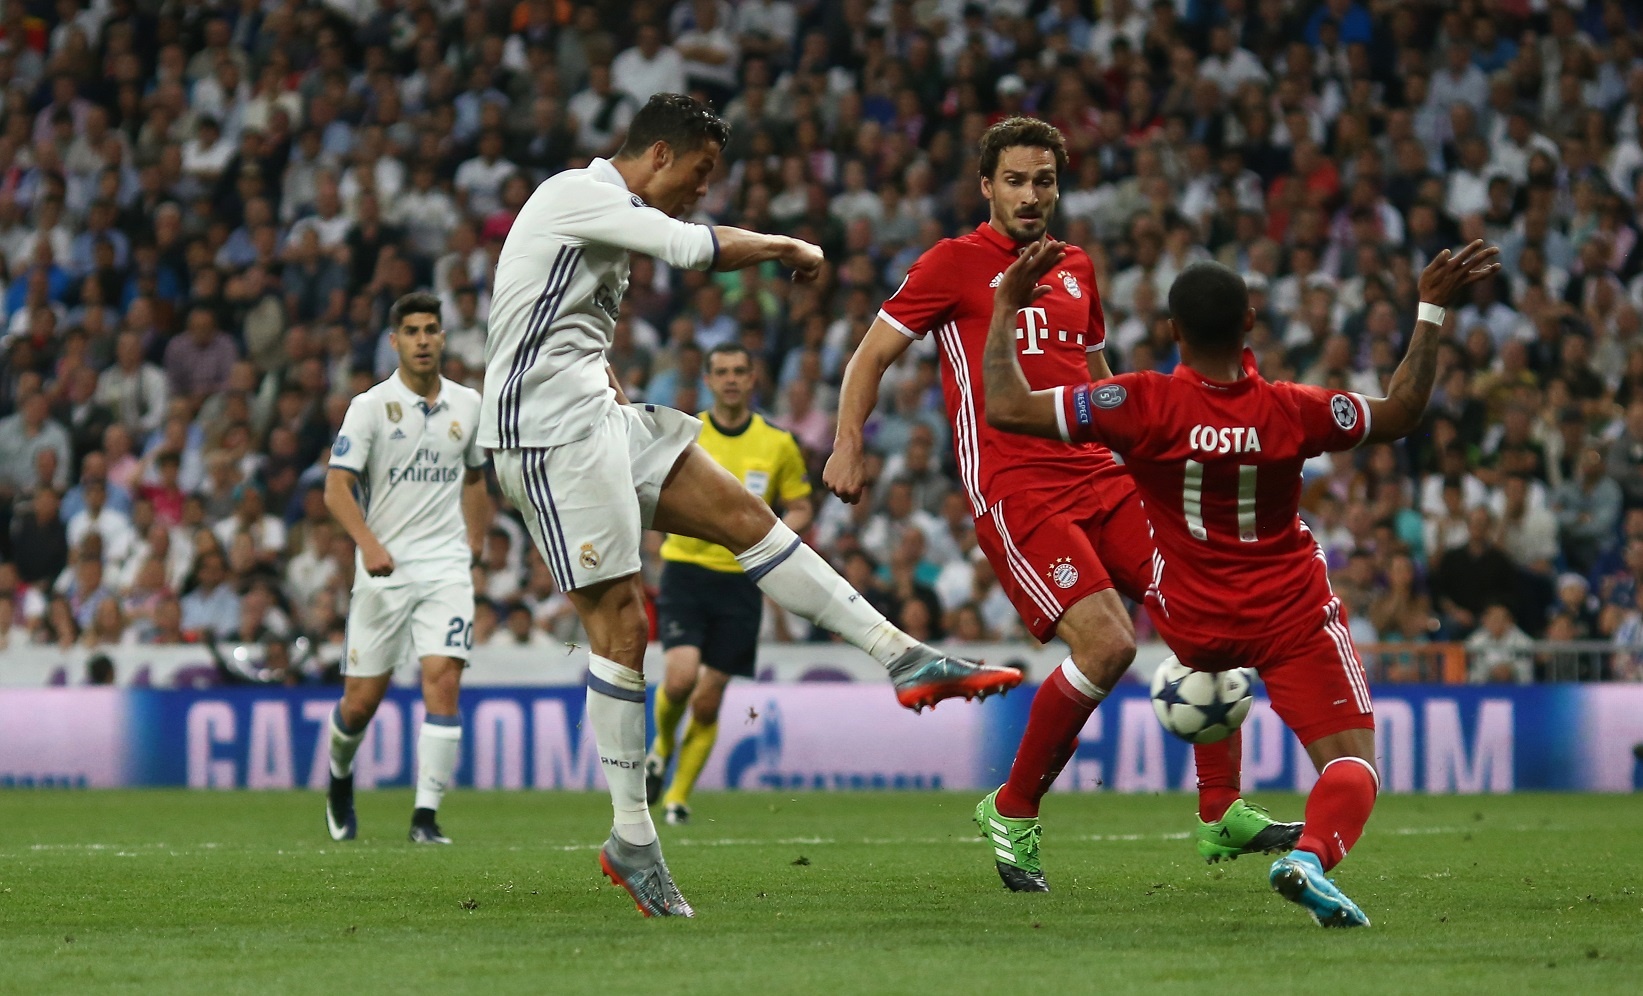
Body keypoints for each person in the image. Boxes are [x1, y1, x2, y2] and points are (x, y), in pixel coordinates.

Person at [478, 93, 1017, 918]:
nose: (701, 191)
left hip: (595, 417)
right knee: (623, 625)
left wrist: (604, 382)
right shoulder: (576, 193)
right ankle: (632, 837)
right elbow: (693, 251)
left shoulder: (602, 212)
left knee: (744, 518)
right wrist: (785, 245)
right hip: (544, 439)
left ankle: (904, 657)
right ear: (660, 154)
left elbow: (558, 324)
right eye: (699, 174)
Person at [824, 118, 1286, 892]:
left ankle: (1220, 811)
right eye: (1015, 181)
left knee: (1211, 611)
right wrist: (847, 441)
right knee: (1107, 646)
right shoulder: (951, 264)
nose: (1030, 195)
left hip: (1102, 476)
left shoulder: (1077, 266)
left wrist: (1139, 453)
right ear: (986, 186)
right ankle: (1012, 808)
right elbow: (870, 353)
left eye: (1043, 181)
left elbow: (1092, 367)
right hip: (1017, 487)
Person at [980, 238, 1499, 927]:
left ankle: (1218, 807)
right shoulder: (1294, 410)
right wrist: (1429, 310)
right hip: (1289, 613)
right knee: (1353, 766)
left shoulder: (1139, 402)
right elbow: (1401, 410)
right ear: (1250, 321)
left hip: (1192, 617)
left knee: (1176, 658)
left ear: (1173, 332)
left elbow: (1008, 407)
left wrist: (1004, 309)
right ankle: (1309, 857)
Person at [323, 292, 491, 846]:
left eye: (432, 330)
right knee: (360, 703)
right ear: (394, 342)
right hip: (383, 570)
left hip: (445, 567)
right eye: (412, 331)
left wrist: (474, 543)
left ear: (444, 338)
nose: (423, 340)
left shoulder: (469, 404)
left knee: (443, 680)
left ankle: (425, 818)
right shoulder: (369, 406)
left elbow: (475, 478)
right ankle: (340, 776)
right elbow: (336, 488)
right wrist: (368, 544)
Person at [645, 343, 813, 826]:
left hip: (741, 579)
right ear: (708, 379)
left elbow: (801, 504)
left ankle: (677, 797)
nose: (732, 379)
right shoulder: (684, 435)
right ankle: (660, 748)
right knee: (679, 679)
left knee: (709, 696)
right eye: (722, 372)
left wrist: (778, 531)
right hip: (686, 572)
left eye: (740, 370)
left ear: (753, 377)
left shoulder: (778, 442)